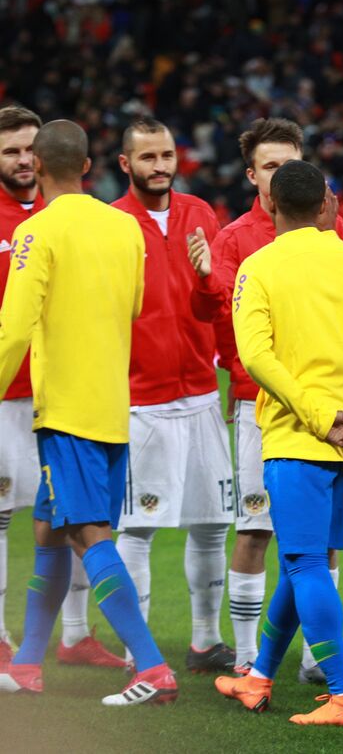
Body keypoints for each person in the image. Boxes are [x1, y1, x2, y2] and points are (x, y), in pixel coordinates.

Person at [0, 119, 178, 705]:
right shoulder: (124, 226)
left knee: (87, 532)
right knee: (49, 529)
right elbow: (132, 304)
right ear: (85, 166)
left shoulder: (36, 230)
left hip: (66, 409)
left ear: (40, 168)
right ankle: (27, 662)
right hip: (110, 401)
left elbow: (14, 327)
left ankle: (150, 666)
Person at [187, 118, 343, 684]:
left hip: (308, 416)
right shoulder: (236, 239)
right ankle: (248, 659)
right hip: (259, 407)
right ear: (251, 174)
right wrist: (209, 283)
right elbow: (225, 325)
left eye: (288, 163)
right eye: (269, 164)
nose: (279, 173)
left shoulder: (334, 241)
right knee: (259, 531)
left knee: (315, 552)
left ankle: (314, 663)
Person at [214, 160, 343, 726]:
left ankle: (342, 694)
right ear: (327, 203)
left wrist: (311, 414)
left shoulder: (256, 268)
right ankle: (259, 677)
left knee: (303, 563)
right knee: (301, 562)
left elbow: (255, 356)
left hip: (296, 434)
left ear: (271, 206)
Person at [112, 118, 236, 674]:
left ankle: (205, 641)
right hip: (143, 400)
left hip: (202, 392)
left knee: (211, 523)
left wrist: (209, 278)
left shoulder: (200, 214)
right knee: (137, 527)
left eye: (167, 155)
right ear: (125, 164)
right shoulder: (113, 226)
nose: (160, 166)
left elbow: (216, 304)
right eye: (148, 158)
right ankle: (136, 650)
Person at [0, 106, 122, 671]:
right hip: (7, 396)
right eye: (10, 152)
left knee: (61, 520)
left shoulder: (61, 221)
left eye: (29, 150)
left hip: (60, 395)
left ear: (44, 158)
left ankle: (74, 635)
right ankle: (4, 639)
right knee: (5, 517)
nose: (22, 160)